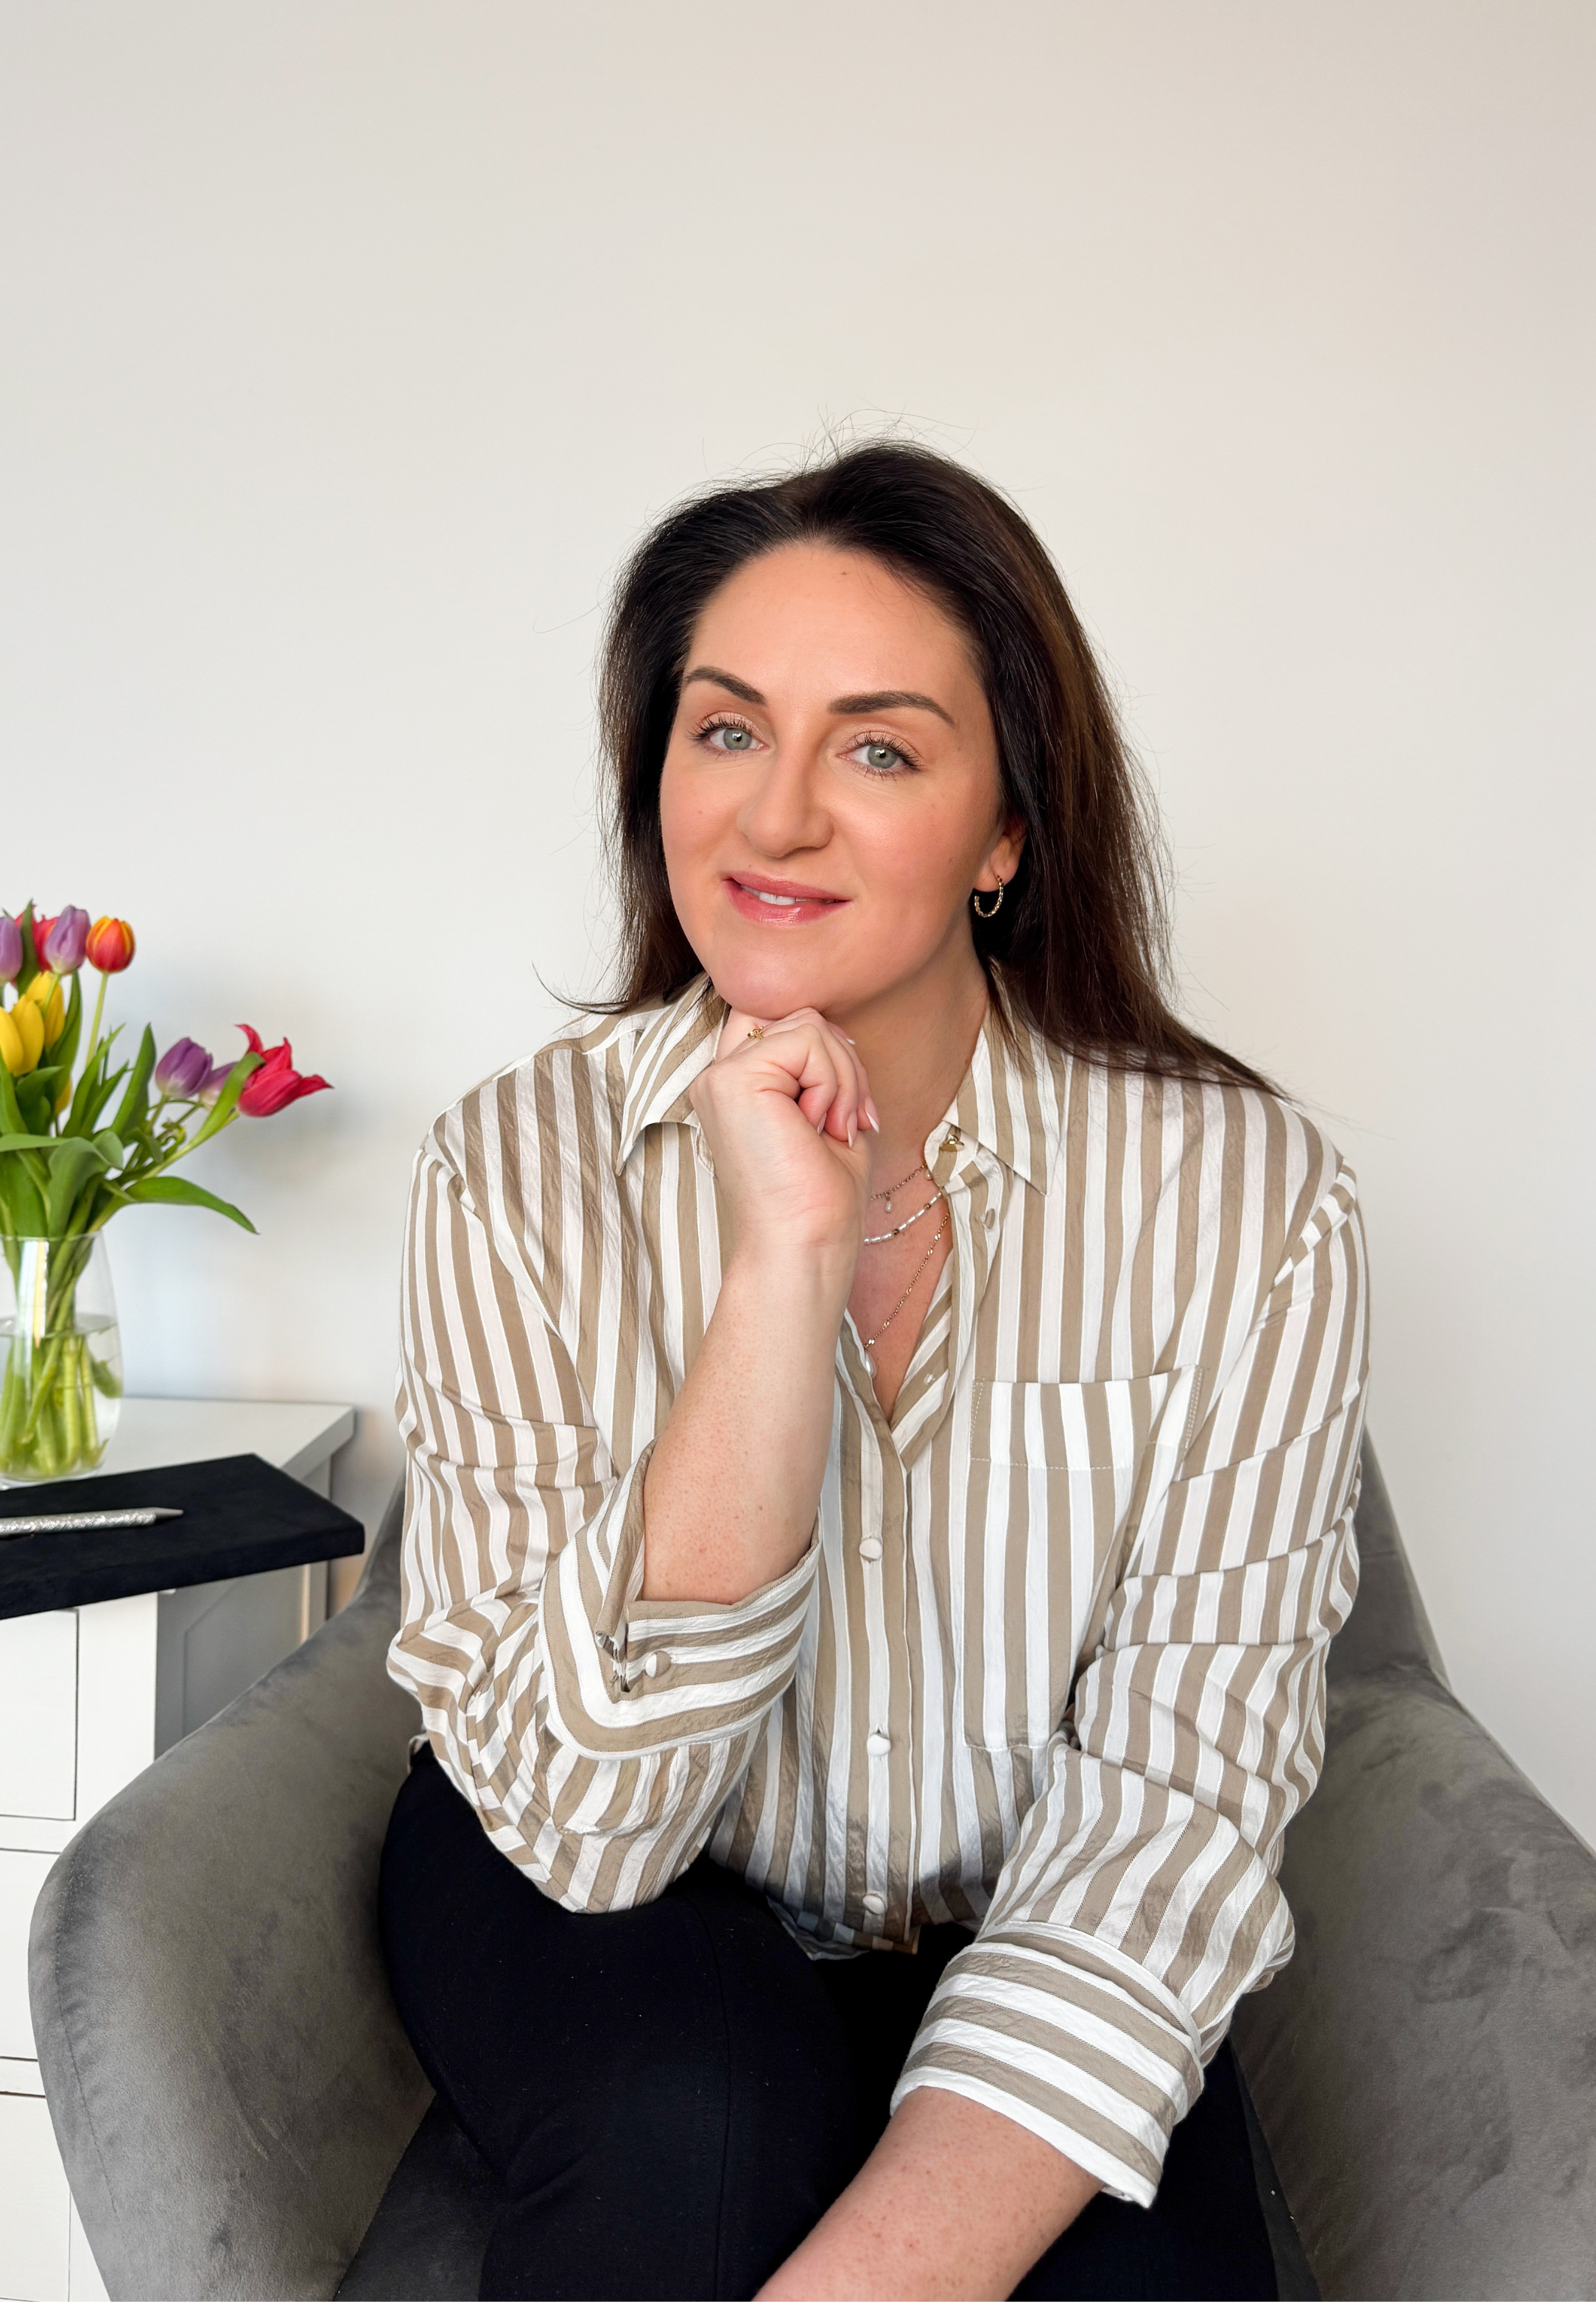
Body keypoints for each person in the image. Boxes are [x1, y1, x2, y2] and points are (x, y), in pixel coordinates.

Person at [379, 443, 1366, 2300]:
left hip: (1024, 1898)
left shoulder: (1248, 1203)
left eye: (880, 751)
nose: (774, 819)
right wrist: (781, 1268)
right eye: (724, 731)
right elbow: (586, 1826)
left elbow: (1171, 1812)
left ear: (1007, 831)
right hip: (589, 1854)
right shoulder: (510, 1168)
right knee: (690, 2120)